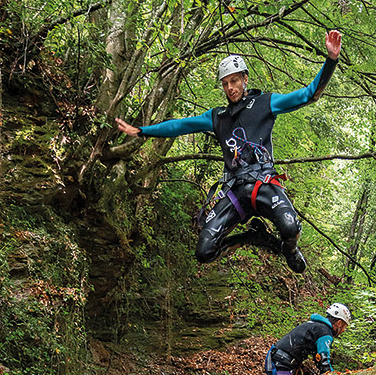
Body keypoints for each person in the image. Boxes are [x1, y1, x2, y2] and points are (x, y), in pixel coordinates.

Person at [115, 31, 342, 275]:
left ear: (245, 79)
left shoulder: (266, 103)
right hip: (235, 191)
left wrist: (331, 60)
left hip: (264, 184)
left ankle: (289, 250)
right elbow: (180, 125)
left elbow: (308, 94)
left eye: (234, 81)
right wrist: (143, 131)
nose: (230, 88)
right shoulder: (217, 117)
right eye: (225, 83)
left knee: (290, 226)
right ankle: (253, 237)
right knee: (204, 251)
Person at [264, 303, 352, 375]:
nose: (343, 330)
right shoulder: (325, 332)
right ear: (339, 323)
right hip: (283, 363)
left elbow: (317, 358)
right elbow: (323, 359)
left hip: (277, 358)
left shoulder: (314, 325)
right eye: (344, 326)